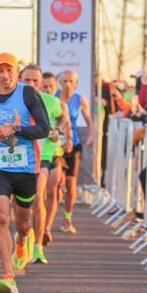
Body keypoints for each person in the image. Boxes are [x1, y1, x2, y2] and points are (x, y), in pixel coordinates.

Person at [0, 53, 50, 293]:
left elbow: (44, 128)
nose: (5, 75)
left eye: (9, 70)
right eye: (0, 70)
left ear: (16, 72)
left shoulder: (27, 93)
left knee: (23, 223)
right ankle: (8, 275)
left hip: (26, 167)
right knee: (0, 216)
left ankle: (21, 242)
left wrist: (14, 129)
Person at [20, 64, 70, 265]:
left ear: (41, 83)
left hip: (44, 154)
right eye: (27, 80)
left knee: (39, 196)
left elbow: (62, 117)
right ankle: (23, 237)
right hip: (19, 156)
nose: (32, 84)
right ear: (20, 80)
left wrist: (57, 130)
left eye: (35, 81)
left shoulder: (50, 101)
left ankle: (37, 246)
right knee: (22, 204)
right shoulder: (12, 100)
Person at [57, 70, 95, 233]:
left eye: (70, 81)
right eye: (64, 81)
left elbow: (89, 121)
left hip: (74, 144)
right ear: (60, 82)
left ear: (76, 84)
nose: (67, 84)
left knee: (71, 183)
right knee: (57, 182)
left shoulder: (80, 99)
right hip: (56, 144)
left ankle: (67, 219)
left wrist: (91, 136)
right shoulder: (54, 97)